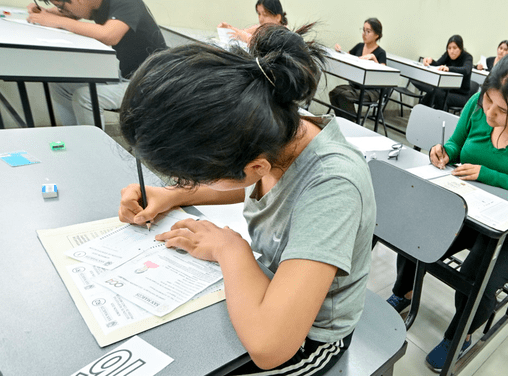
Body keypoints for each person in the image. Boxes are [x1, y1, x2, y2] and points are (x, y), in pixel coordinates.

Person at [117, 24, 375, 375]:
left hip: (310, 339)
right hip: (268, 286)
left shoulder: (333, 185)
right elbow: (247, 183)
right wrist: (172, 194)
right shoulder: (269, 131)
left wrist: (230, 248)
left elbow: (271, 347)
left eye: (192, 178)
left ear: (255, 165)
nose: (189, 183)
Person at [386, 50, 508, 373]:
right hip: (472, 210)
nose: (489, 112)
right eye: (488, 100)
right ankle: (403, 291)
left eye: (502, 110)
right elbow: (457, 146)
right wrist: (443, 152)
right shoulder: (478, 105)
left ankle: (461, 332)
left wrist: (492, 176)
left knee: (478, 276)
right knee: (415, 232)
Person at [26, 0, 166, 128]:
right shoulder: (98, 5)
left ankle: (92, 150)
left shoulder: (127, 2)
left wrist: (57, 20)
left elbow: (109, 35)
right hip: (128, 77)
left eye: (62, 7)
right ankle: (74, 137)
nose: (63, 12)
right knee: (60, 84)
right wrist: (46, 13)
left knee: (86, 98)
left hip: (154, 84)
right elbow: (75, 14)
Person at [328, 18, 386, 122]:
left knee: (344, 95)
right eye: (363, 30)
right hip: (357, 87)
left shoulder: (381, 53)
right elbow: (347, 57)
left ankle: (352, 123)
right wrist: (339, 51)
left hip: (371, 91)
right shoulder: (359, 46)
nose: (364, 34)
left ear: (377, 35)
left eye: (368, 31)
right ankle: (342, 122)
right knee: (334, 93)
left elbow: (383, 77)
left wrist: (374, 59)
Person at [416, 35, 473, 111]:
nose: (451, 51)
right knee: (433, 92)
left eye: (455, 48)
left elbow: (466, 70)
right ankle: (420, 112)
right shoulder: (448, 55)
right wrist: (430, 61)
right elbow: (437, 64)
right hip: (447, 91)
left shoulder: (467, 57)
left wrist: (448, 68)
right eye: (449, 48)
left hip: (461, 95)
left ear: (460, 48)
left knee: (439, 95)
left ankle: (438, 119)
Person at [218, 0, 287, 44]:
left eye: (265, 15)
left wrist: (247, 38)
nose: (261, 19)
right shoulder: (261, 28)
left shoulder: (285, 35)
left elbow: (267, 46)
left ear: (278, 17)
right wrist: (228, 28)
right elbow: (242, 32)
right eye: (259, 14)